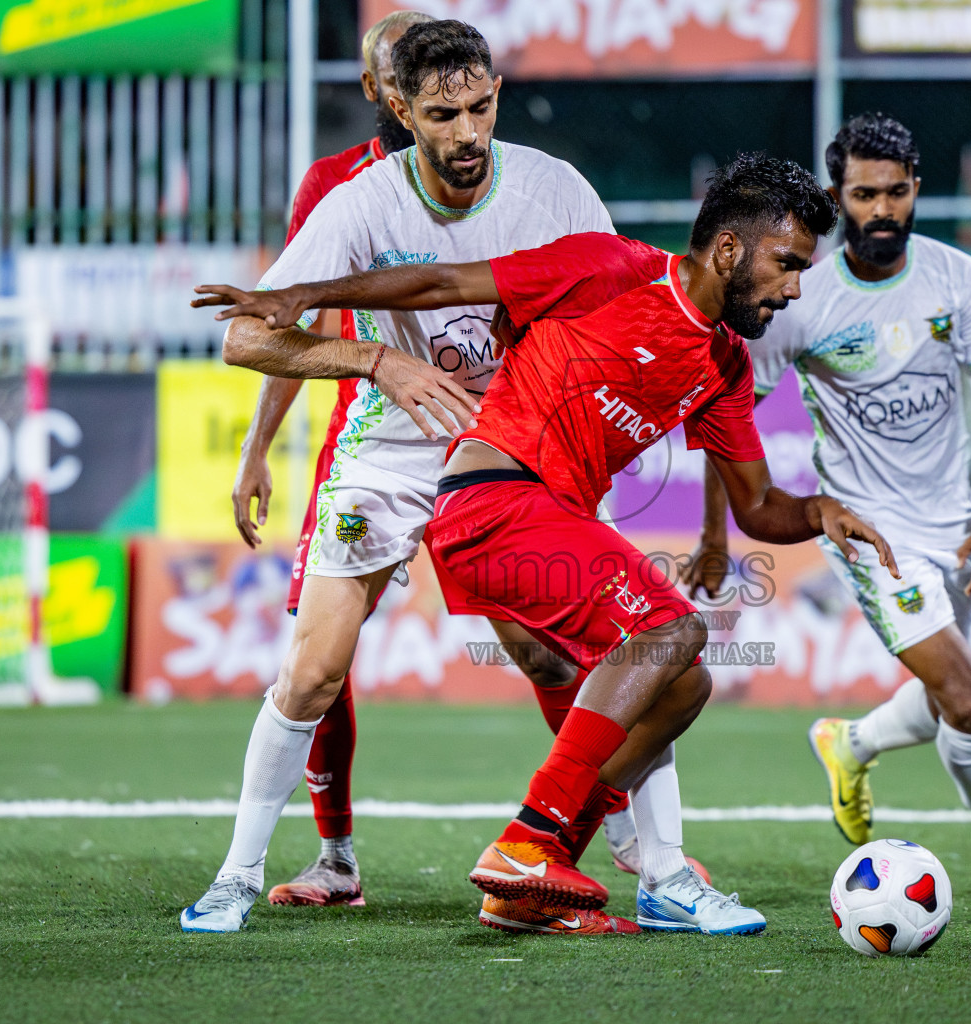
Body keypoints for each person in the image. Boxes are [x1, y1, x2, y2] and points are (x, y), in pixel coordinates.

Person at [196, 152, 900, 935]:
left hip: (548, 518)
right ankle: (534, 843)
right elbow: (441, 282)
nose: (795, 287)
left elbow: (761, 506)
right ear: (729, 251)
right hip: (490, 495)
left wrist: (824, 512)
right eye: (788, 264)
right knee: (667, 631)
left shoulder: (726, 363)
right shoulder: (612, 268)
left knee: (681, 686)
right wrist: (304, 293)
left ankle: (537, 881)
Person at [181, 19, 703, 937]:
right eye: (442, 115)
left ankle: (659, 868)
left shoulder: (556, 191)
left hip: (516, 451)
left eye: (479, 107)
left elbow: (614, 312)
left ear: (497, 90)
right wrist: (377, 364)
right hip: (389, 444)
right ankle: (236, 875)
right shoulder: (357, 204)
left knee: (592, 650)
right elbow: (248, 335)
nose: (466, 133)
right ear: (399, 110)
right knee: (311, 676)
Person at [691, 113, 971, 899]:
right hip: (867, 529)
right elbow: (726, 410)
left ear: (916, 190)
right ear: (836, 196)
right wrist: (715, 535)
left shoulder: (958, 280)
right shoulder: (801, 295)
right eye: (863, 194)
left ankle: (851, 744)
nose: (881, 209)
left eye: (895, 192)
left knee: (957, 703)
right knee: (969, 698)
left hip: (958, 526)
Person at [231, 6, 430, 912]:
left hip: (487, 436)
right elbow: (289, 323)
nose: (411, 86)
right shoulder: (336, 185)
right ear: (375, 89)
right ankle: (336, 856)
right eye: (398, 71)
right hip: (371, 443)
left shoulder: (499, 180)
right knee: (319, 660)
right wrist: (257, 448)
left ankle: (621, 839)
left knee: (542, 638)